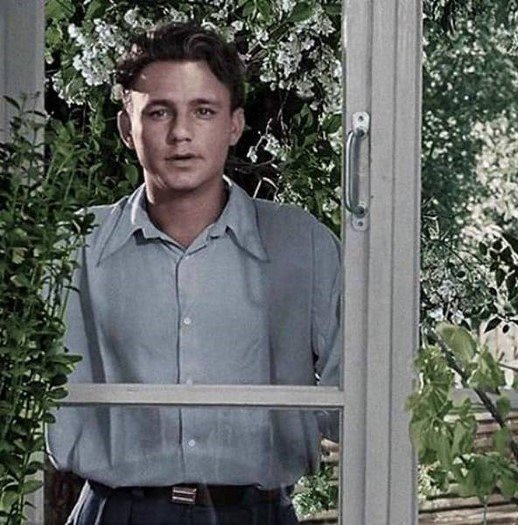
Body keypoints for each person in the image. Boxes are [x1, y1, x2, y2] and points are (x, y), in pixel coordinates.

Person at [47, 22, 341, 525]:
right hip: (115, 512)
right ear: (127, 128)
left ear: (234, 125)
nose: (181, 133)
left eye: (203, 111)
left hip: (258, 513)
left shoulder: (304, 244)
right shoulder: (73, 247)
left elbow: (362, 399)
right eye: (159, 112)